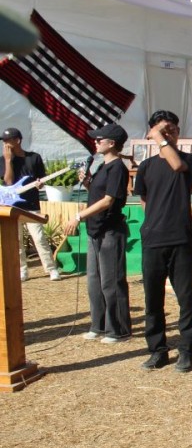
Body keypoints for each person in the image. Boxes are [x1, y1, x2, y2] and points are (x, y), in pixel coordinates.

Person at [131, 110, 192, 372]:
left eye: (172, 129)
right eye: (162, 130)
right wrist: (151, 227)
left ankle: (186, 350)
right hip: (154, 240)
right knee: (153, 299)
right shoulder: (146, 166)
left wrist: (160, 138)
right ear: (152, 133)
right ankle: (158, 350)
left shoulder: (189, 159)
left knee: (185, 297)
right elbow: (144, 200)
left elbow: (177, 166)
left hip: (180, 238)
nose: (168, 134)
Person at [63, 124, 132, 344]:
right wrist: (87, 181)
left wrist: (79, 216)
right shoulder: (103, 166)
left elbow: (108, 200)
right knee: (94, 280)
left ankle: (118, 329)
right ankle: (99, 325)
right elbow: (99, 192)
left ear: (111, 143)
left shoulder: (118, 168)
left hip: (110, 230)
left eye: (98, 139)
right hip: (95, 230)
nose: (95, 142)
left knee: (111, 281)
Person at [0, 128, 60, 281]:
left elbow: (42, 180)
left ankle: (51, 269)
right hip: (12, 206)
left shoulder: (34, 158)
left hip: (31, 204)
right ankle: (22, 270)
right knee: (16, 240)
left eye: (8, 140)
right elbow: (8, 182)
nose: (5, 144)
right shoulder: (3, 160)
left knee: (39, 238)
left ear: (17, 141)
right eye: (4, 141)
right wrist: (8, 161)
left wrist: (40, 185)